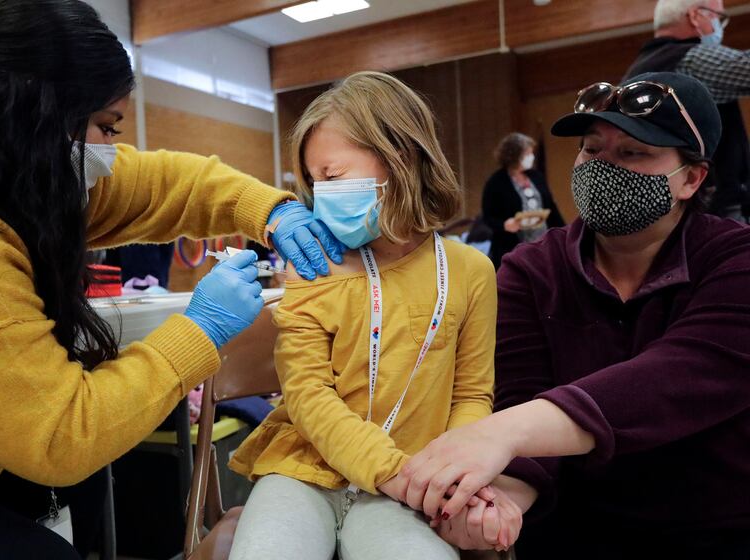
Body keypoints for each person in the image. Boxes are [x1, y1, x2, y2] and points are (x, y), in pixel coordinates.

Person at [0, 1, 344, 558]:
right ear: (37, 116)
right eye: (105, 128)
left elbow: (169, 182)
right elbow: (64, 433)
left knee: (85, 496)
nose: (112, 153)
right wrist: (199, 330)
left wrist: (268, 208)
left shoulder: (21, 181)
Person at [389, 71, 750, 559]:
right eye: (592, 149)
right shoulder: (531, 270)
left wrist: (505, 432)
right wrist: (499, 502)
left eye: (632, 153)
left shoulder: (734, 258)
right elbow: (519, 393)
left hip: (713, 526)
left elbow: (684, 374)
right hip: (575, 527)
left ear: (691, 177)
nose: (603, 167)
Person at [226, 71, 522, 560]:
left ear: (399, 156)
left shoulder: (470, 271)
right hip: (306, 473)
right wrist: (394, 474)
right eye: (313, 181)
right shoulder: (312, 267)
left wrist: (457, 474)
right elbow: (306, 395)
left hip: (413, 480)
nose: (320, 196)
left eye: (332, 176)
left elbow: (471, 393)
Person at [625, 0, 750, 221]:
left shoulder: (637, 71)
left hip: (664, 207)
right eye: (719, 18)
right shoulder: (689, 59)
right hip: (714, 206)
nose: (721, 26)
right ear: (695, 16)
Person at [481, 133, 564, 268]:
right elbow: (488, 217)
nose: (531, 157)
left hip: (542, 242)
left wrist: (563, 233)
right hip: (512, 245)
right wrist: (504, 225)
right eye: (527, 153)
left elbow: (551, 207)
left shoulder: (536, 176)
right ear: (514, 155)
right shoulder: (496, 182)